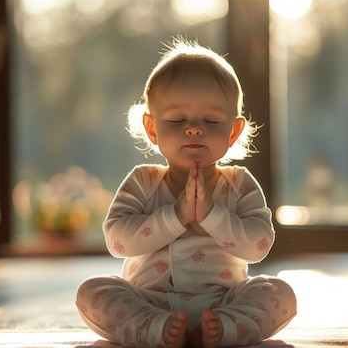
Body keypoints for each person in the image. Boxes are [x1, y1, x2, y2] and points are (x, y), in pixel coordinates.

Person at [76, 38, 297, 348]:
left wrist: (211, 215)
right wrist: (176, 216)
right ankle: (157, 329)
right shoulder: (143, 181)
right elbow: (117, 240)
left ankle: (222, 329)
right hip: (149, 301)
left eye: (211, 120)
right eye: (178, 120)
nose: (194, 129)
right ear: (152, 129)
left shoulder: (240, 184)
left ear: (233, 132)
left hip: (222, 301)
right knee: (92, 292)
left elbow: (258, 246)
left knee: (280, 294)